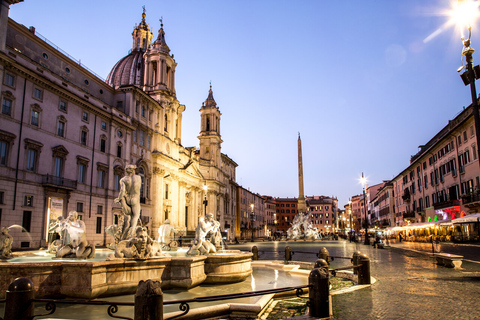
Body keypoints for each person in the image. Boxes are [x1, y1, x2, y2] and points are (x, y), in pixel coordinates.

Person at [114, 165, 142, 240]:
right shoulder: (138, 178)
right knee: (136, 216)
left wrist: (119, 198)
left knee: (128, 218)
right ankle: (131, 234)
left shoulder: (123, 179)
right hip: (135, 198)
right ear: (133, 170)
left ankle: (124, 236)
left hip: (127, 198)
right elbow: (138, 188)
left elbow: (122, 191)